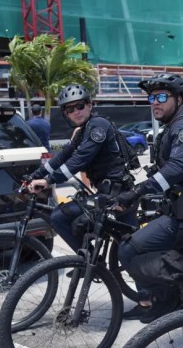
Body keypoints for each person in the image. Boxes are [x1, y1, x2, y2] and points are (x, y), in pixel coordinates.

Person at [117, 73, 183, 323]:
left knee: (129, 250)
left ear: (180, 99)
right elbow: (166, 169)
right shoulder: (172, 128)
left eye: (162, 96)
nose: (155, 102)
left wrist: (138, 192)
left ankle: (166, 300)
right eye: (151, 97)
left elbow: (178, 167)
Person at [26, 83, 138, 252]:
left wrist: (48, 180)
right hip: (105, 194)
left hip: (118, 195)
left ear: (89, 105)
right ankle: (90, 262)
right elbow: (63, 157)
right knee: (127, 244)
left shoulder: (98, 126)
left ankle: (91, 263)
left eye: (79, 106)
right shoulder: (82, 132)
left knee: (58, 217)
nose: (76, 112)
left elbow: (79, 159)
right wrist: (35, 175)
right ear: (65, 113)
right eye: (69, 109)